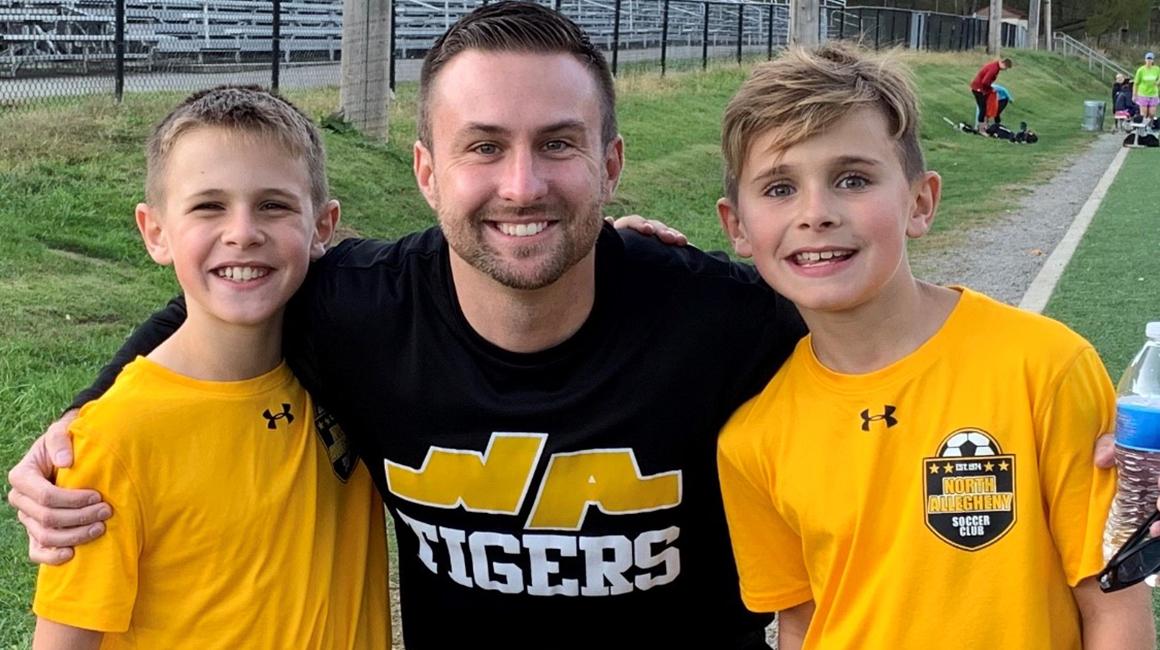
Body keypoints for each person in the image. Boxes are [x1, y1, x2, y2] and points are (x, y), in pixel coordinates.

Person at [8, 3, 805, 648]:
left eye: (557, 144)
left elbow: (878, 358)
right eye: (483, 147)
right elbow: (223, 292)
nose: (521, 186)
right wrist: (83, 418)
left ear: (610, 163)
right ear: (427, 171)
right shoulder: (361, 310)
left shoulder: (722, 319)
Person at [713, 44, 1154, 649]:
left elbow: (1111, 600)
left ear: (920, 202)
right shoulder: (751, 439)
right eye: (780, 188)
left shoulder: (1043, 366)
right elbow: (801, 623)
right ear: (737, 226)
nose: (816, 213)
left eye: (852, 179)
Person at [30, 86, 390, 649]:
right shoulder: (112, 438)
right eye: (208, 205)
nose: (243, 231)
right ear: (156, 232)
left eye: (274, 204)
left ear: (322, 226)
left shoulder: (351, 370)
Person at [969, 56, 1012, 133]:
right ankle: (981, 130)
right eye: (1006, 68)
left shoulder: (996, 66)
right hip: (978, 89)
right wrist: (990, 89)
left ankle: (984, 126)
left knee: (985, 108)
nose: (1005, 70)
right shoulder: (994, 69)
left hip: (981, 89)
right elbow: (985, 82)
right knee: (983, 109)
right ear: (1004, 64)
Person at [1133, 52, 1159, 121]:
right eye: (1148, 59)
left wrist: (1158, 81)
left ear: (1153, 60)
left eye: (1150, 59)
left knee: (1152, 113)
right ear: (1145, 60)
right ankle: (1143, 128)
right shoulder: (1141, 70)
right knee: (1144, 114)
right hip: (1143, 94)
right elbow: (1136, 83)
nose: (1149, 61)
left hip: (1153, 94)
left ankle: (1150, 126)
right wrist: (1134, 95)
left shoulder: (1157, 69)